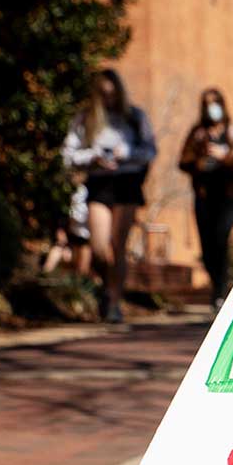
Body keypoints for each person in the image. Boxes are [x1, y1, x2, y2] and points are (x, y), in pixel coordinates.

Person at [64, 68, 155, 323]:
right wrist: (93, 156)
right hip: (99, 182)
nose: (109, 100)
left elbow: (150, 150)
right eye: (103, 95)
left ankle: (113, 301)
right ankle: (106, 286)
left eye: (113, 94)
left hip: (127, 182)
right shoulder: (85, 120)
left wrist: (125, 153)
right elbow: (69, 156)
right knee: (100, 246)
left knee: (118, 246)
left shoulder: (135, 117)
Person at [177, 87, 233, 306]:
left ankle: (220, 292)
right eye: (207, 103)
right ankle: (217, 284)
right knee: (207, 248)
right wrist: (200, 159)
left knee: (221, 240)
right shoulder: (197, 134)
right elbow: (183, 162)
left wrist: (224, 156)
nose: (212, 108)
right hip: (204, 197)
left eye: (215, 102)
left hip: (228, 198)